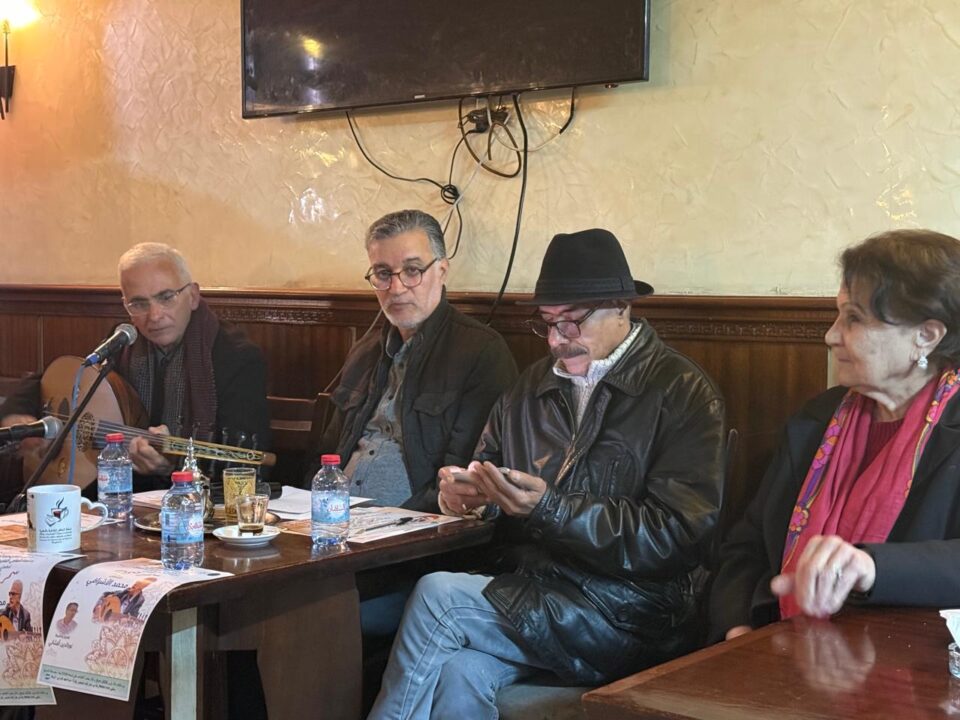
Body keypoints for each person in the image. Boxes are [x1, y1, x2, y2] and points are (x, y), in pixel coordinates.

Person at [369, 228, 727, 719]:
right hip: (538, 592)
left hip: (634, 612)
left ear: (621, 307)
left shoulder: (681, 391)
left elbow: (679, 535)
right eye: (549, 323)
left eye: (573, 322)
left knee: (439, 596)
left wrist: (550, 508)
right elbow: (487, 472)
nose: (558, 339)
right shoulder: (529, 389)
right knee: (461, 672)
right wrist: (469, 501)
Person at [709, 229, 960, 643]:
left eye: (854, 318)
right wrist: (736, 629)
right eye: (838, 315)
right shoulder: (816, 420)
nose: (830, 335)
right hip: (782, 650)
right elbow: (746, 546)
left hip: (914, 664)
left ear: (926, 336)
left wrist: (872, 566)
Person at [0, 242, 271, 490]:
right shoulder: (124, 342)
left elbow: (242, 464)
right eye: (139, 303)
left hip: (190, 503)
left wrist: (172, 467)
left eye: (166, 297)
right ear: (126, 306)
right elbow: (66, 378)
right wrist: (17, 415)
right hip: (122, 492)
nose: (155, 315)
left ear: (193, 296)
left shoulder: (235, 358)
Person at [310, 209, 518, 511]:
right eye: (383, 273)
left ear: (442, 271)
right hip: (332, 519)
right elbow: (325, 456)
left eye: (412, 270)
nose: (396, 288)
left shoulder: (481, 352)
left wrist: (398, 520)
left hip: (417, 526)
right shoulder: (364, 352)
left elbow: (464, 478)